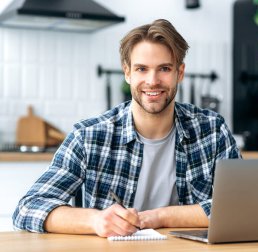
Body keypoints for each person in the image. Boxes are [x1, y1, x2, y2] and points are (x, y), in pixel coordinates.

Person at [13, 19, 241, 237]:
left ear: (179, 73)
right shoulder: (88, 136)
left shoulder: (212, 130)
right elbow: (28, 208)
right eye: (142, 69)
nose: (152, 81)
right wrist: (95, 220)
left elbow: (241, 203)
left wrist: (160, 216)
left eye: (164, 68)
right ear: (127, 73)